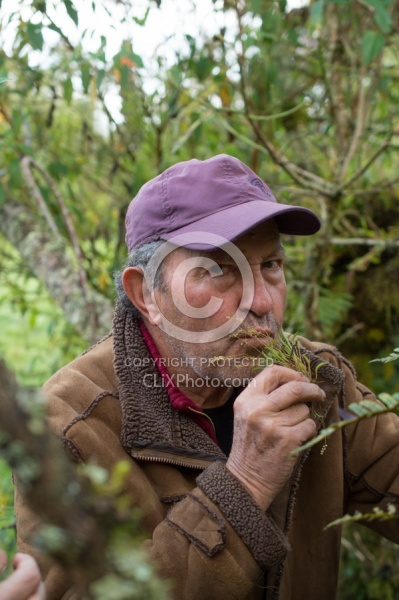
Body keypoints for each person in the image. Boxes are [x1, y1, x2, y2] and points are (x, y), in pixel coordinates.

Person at [15, 155, 399, 599]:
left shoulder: (316, 377)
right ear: (146, 294)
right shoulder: (68, 428)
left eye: (271, 264)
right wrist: (244, 484)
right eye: (219, 270)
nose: (261, 302)